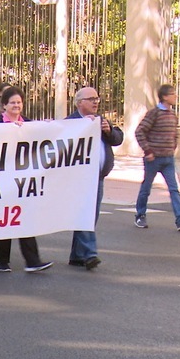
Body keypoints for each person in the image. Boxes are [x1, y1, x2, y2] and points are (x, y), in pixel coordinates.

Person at [0, 86, 53, 273]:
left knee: (25, 217)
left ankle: (32, 261)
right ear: (4, 106)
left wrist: (49, 126)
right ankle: (1, 260)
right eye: (12, 103)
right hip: (2, 179)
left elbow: (48, 135)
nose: (16, 106)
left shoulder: (29, 124)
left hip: (24, 180)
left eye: (19, 102)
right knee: (5, 218)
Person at [66, 87, 124, 270]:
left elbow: (118, 139)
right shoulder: (70, 122)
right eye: (90, 99)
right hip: (80, 178)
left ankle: (77, 256)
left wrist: (108, 131)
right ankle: (90, 253)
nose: (95, 102)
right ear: (79, 103)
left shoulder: (101, 121)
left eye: (97, 98)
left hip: (98, 177)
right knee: (86, 214)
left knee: (91, 215)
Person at [134, 84, 180, 231]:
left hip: (168, 159)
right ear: (164, 97)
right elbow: (139, 132)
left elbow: (174, 135)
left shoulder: (172, 115)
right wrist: (148, 150)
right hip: (153, 159)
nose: (176, 96)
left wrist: (173, 148)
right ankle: (140, 215)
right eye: (172, 94)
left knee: (174, 189)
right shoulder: (154, 113)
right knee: (146, 188)